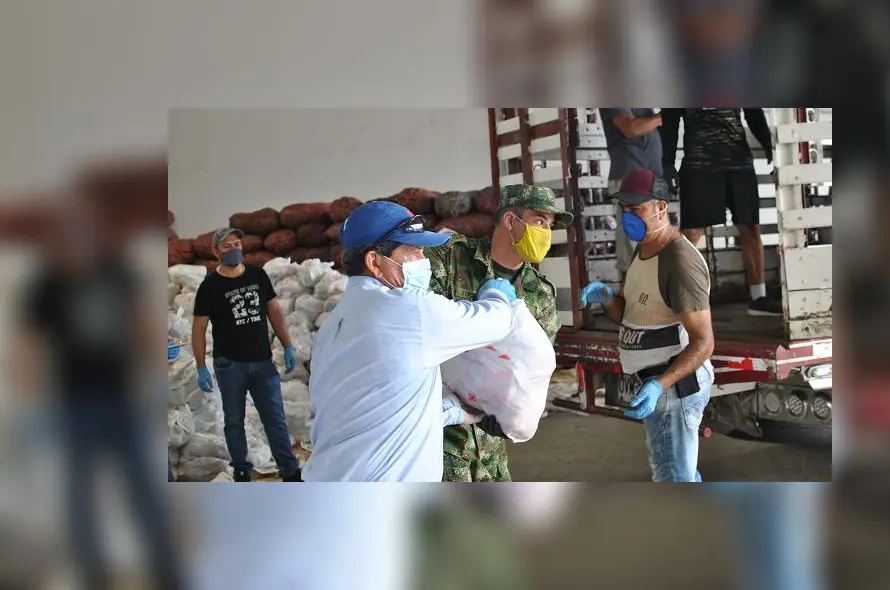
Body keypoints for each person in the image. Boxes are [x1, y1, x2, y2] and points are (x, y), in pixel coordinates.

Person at [18, 195, 183, 589]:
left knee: (143, 488)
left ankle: (168, 569)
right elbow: (32, 346)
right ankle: (93, 572)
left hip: (121, 400)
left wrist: (154, 379)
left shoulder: (117, 273)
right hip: (74, 403)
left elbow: (140, 325)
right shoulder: (47, 285)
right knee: (79, 495)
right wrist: (33, 400)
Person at [304, 201, 519, 482]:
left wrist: (456, 411)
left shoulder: (334, 326)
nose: (423, 258)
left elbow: (373, 408)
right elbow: (496, 322)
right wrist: (498, 292)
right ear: (374, 262)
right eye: (413, 250)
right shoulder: (407, 309)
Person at [426, 184, 573, 482]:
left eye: (550, 226)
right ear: (510, 221)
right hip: (439, 440)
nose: (546, 232)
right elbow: (424, 332)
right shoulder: (449, 260)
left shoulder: (540, 294)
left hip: (490, 450)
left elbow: (529, 370)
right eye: (539, 222)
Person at [578, 168, 715, 482]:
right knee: (677, 474)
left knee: (672, 479)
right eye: (624, 209)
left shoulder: (679, 261)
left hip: (673, 388)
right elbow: (627, 313)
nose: (629, 216)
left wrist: (659, 385)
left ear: (661, 208)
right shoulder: (643, 249)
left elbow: (704, 343)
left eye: (637, 209)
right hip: (656, 385)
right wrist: (609, 299)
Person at [192, 227, 302, 482]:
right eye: (227, 246)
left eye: (237, 244)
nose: (234, 249)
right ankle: (241, 469)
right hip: (229, 365)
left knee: (275, 419)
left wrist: (287, 345)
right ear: (215, 250)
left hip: (262, 362)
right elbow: (199, 328)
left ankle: (290, 470)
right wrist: (200, 366)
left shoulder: (257, 276)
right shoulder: (210, 286)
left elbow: (274, 311)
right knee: (234, 422)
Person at [658, 108, 780, 316]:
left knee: (750, 227)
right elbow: (669, 119)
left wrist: (767, 142)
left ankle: (758, 297)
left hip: (738, 162)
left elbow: (753, 112)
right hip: (699, 162)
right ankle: (669, 300)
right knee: (691, 233)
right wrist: (667, 163)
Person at [600, 108, 664, 274]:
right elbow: (632, 129)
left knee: (652, 241)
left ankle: (651, 296)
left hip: (651, 178)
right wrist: (663, 117)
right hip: (630, 179)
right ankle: (634, 297)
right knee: (635, 245)